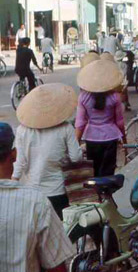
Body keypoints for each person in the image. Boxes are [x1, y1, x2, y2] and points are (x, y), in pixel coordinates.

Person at [0, 122, 75, 272]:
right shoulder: (36, 203)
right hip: (55, 191)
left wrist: (14, 180)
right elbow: (56, 265)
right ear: (13, 154)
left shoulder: (22, 129)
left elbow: (21, 166)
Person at [12, 83, 82, 219]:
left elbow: (20, 162)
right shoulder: (65, 128)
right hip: (57, 191)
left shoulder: (22, 130)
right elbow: (76, 157)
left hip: (32, 191)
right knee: (60, 233)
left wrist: (13, 183)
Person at [75, 59, 126, 177]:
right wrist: (124, 141)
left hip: (91, 139)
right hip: (110, 138)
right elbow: (119, 122)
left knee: (94, 172)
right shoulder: (114, 97)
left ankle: (97, 194)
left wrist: (75, 142)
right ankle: (107, 194)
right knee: (108, 174)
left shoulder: (83, 97)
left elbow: (80, 123)